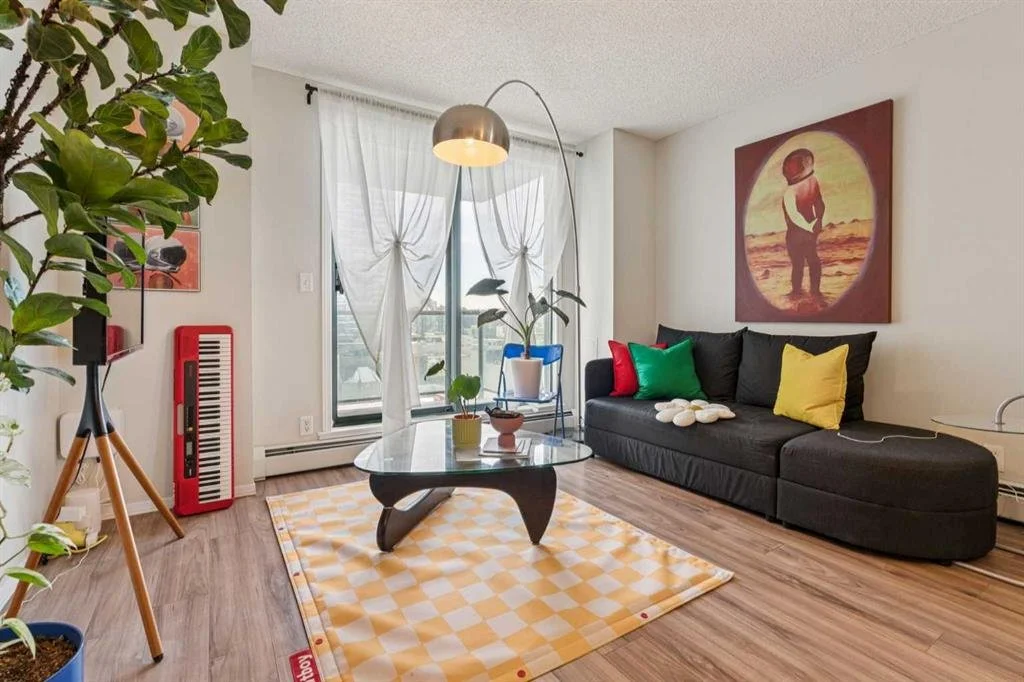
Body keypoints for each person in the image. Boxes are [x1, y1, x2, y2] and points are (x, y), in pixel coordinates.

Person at [781, 148, 825, 299]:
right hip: (803, 231)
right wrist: (815, 223)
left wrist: (817, 221)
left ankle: (806, 292)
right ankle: (806, 292)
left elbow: (818, 203)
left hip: (802, 232)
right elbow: (796, 215)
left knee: (806, 262)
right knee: (806, 262)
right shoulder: (807, 184)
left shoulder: (805, 185)